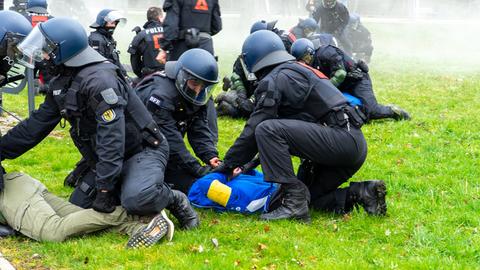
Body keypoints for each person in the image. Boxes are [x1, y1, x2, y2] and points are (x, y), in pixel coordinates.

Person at [0, 17, 199, 230]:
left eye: (48, 49)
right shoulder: (63, 81)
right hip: (107, 158)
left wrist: (104, 189)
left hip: (141, 152)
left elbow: (112, 138)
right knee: (79, 210)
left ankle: (174, 198)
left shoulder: (100, 81)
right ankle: (126, 189)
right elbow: (35, 127)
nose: (43, 55)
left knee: (136, 199)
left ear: (64, 50)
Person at [214, 30, 387, 222]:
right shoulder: (294, 72)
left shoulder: (275, 79)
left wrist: (227, 165)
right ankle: (363, 193)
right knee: (309, 198)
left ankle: (294, 204)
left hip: (339, 142)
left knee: (266, 128)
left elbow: (258, 129)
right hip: (351, 145)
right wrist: (246, 164)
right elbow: (278, 139)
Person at [0, 171, 174, 248]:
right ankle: (142, 227)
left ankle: (137, 213)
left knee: (52, 231)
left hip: (7, 194)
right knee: (81, 222)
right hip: (17, 182)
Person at [135, 48, 220, 194]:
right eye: (195, 84)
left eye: (204, 86)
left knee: (201, 180)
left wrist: (211, 156)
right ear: (182, 76)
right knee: (189, 184)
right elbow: (169, 139)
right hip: (139, 150)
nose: (199, 90)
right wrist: (197, 169)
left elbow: (198, 129)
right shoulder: (160, 95)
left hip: (162, 148)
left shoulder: (196, 94)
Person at [291, 38, 410, 121]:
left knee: (372, 111)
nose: (304, 62)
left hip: (358, 80)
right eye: (301, 60)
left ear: (311, 52)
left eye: (305, 58)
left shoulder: (326, 52)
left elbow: (340, 74)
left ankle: (394, 111)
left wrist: (326, 90)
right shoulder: (308, 63)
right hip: (342, 86)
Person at [158, 0, 222, 145]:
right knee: (205, 92)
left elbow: (171, 25)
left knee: (175, 85)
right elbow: (217, 26)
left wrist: (164, 48)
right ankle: (210, 138)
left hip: (183, 45)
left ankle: (170, 133)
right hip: (205, 45)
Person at [24, 0, 54, 94]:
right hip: (46, 56)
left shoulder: (25, 19)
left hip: (28, 55)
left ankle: (33, 85)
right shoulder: (52, 19)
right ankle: (44, 88)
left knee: (30, 70)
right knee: (48, 74)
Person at [88, 8, 128, 79]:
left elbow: (115, 61)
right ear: (103, 23)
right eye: (112, 23)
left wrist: (125, 75)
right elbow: (100, 65)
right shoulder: (96, 40)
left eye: (115, 23)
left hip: (111, 73)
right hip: (103, 78)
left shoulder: (108, 38)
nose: (114, 26)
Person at [128, 7, 165, 79]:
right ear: (160, 17)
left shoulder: (141, 35)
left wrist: (140, 76)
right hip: (169, 75)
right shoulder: (171, 32)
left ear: (148, 18)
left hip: (149, 77)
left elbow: (135, 63)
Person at [0, 10, 32, 87]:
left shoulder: (6, 53)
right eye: (15, 48)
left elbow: (2, 70)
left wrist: (2, 76)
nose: (18, 52)